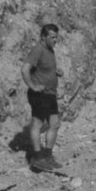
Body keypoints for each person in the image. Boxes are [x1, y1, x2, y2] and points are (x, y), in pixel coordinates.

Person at [21, 23, 64, 171]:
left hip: (50, 94)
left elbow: (43, 68)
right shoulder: (38, 49)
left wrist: (55, 72)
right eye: (52, 37)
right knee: (38, 124)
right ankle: (38, 158)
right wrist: (32, 86)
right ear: (43, 37)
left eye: (56, 37)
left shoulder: (49, 50)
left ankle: (47, 156)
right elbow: (25, 69)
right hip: (40, 95)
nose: (55, 40)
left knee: (55, 124)